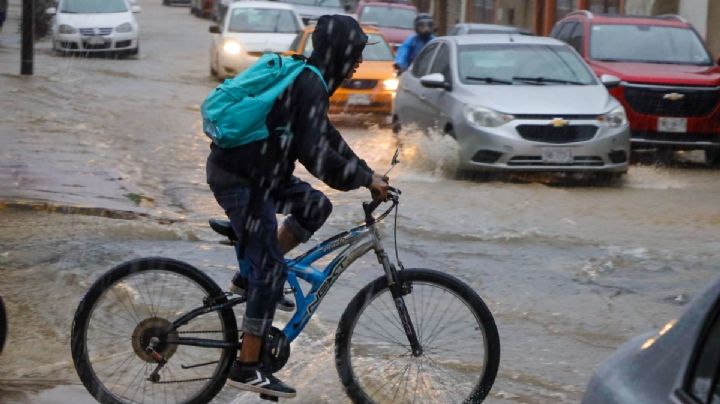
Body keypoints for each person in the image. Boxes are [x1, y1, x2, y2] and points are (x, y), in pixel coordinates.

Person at [206, 14, 390, 399]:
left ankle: (247, 279)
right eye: (355, 52)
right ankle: (247, 365)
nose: (357, 61)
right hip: (242, 179)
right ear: (338, 51)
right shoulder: (308, 84)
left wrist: (369, 173)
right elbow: (317, 156)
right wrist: (359, 180)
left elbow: (327, 137)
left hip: (263, 175)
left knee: (314, 206)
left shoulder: (312, 81)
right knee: (272, 273)